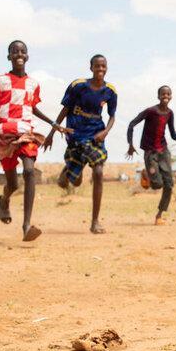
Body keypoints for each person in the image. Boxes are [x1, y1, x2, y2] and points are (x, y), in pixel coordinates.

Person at [0, 40, 69, 241]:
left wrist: (53, 123)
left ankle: (26, 225)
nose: (19, 54)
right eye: (14, 51)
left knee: (29, 171)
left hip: (27, 132)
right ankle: (3, 200)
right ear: (9, 56)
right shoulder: (0, 81)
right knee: (13, 184)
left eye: (22, 51)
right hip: (6, 133)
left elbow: (32, 107)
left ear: (27, 56)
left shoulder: (33, 84)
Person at [44, 54, 117, 234]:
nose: (100, 70)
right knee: (73, 182)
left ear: (106, 68)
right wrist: (52, 132)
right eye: (97, 66)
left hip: (95, 137)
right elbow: (65, 109)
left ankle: (94, 222)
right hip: (76, 136)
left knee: (98, 172)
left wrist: (105, 132)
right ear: (91, 68)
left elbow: (112, 115)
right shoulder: (78, 86)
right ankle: (69, 171)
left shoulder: (110, 91)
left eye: (103, 66)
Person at [126, 85, 176, 225]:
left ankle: (159, 215)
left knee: (169, 184)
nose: (165, 96)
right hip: (150, 152)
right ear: (158, 96)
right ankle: (147, 174)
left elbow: (172, 133)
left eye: (168, 94)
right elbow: (132, 124)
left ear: (171, 96)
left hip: (163, 151)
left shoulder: (170, 113)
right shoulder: (150, 111)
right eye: (163, 94)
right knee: (156, 185)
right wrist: (130, 144)